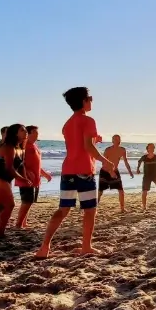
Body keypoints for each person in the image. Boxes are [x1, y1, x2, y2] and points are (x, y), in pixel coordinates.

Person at [36, 87, 113, 258]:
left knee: (63, 210)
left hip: (68, 171)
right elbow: (88, 147)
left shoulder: (67, 124)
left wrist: (94, 141)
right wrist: (106, 161)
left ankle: (45, 247)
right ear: (83, 101)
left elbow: (80, 145)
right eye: (90, 98)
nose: (92, 101)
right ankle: (86, 246)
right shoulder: (88, 120)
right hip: (85, 171)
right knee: (90, 210)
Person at [0, 124, 30, 239]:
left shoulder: (20, 147)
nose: (26, 132)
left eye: (26, 131)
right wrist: (23, 179)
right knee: (9, 205)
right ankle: (0, 234)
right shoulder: (8, 147)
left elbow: (21, 166)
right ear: (15, 133)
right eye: (22, 130)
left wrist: (25, 177)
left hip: (6, 179)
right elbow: (9, 168)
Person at [15, 125, 52, 229]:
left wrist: (45, 174)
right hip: (25, 178)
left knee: (29, 202)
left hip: (34, 179)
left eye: (37, 133)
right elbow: (18, 162)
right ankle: (19, 224)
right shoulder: (24, 145)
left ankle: (23, 223)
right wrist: (26, 172)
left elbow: (37, 164)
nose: (37, 135)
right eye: (34, 133)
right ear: (28, 134)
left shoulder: (34, 145)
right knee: (27, 201)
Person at [98, 134, 133, 212]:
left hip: (115, 171)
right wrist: (110, 172)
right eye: (116, 139)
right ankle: (95, 207)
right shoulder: (108, 150)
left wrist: (130, 172)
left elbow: (126, 161)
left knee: (121, 190)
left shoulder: (122, 150)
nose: (118, 141)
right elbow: (104, 163)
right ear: (112, 141)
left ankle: (122, 208)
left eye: (119, 139)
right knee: (100, 191)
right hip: (105, 171)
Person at [137, 143, 156, 211]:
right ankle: (144, 206)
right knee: (144, 191)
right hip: (147, 176)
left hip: (155, 176)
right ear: (147, 149)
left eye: (153, 147)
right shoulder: (144, 157)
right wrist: (138, 169)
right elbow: (139, 161)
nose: (152, 149)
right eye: (150, 147)